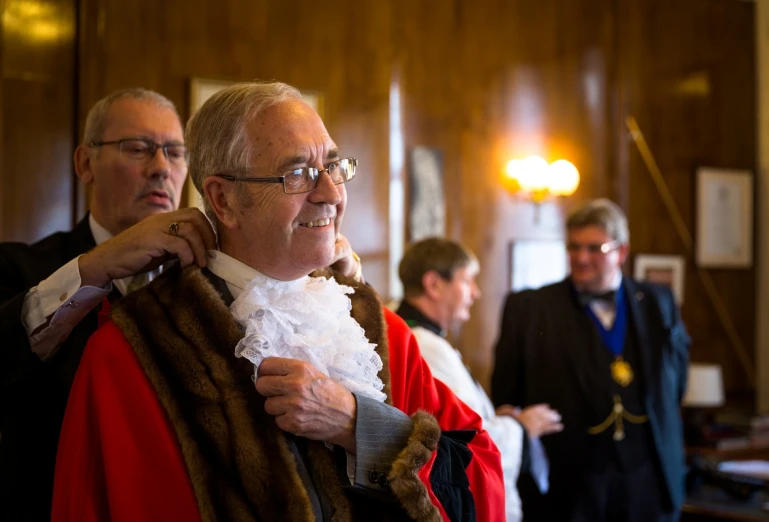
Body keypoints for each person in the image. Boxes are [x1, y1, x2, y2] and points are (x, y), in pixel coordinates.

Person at [52, 82, 504, 522]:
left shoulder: (379, 330)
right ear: (223, 199)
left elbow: (481, 478)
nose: (330, 193)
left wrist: (356, 424)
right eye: (298, 173)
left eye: (332, 165)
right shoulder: (134, 350)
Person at [0, 87, 362, 521]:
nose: (161, 168)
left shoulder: (245, 281)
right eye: (137, 149)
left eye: (175, 152)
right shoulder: (19, 267)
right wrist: (96, 267)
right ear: (84, 163)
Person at [491, 198, 690, 522]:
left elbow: (676, 380)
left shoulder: (658, 301)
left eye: (595, 248)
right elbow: (506, 395)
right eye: (574, 247)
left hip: (648, 478)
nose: (581, 258)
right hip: (567, 483)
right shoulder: (529, 308)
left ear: (621, 252)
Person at [395, 237, 563, 522]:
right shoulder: (424, 346)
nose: (476, 292)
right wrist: (522, 427)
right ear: (434, 284)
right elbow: (464, 441)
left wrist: (495, 417)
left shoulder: (417, 336)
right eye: (467, 280)